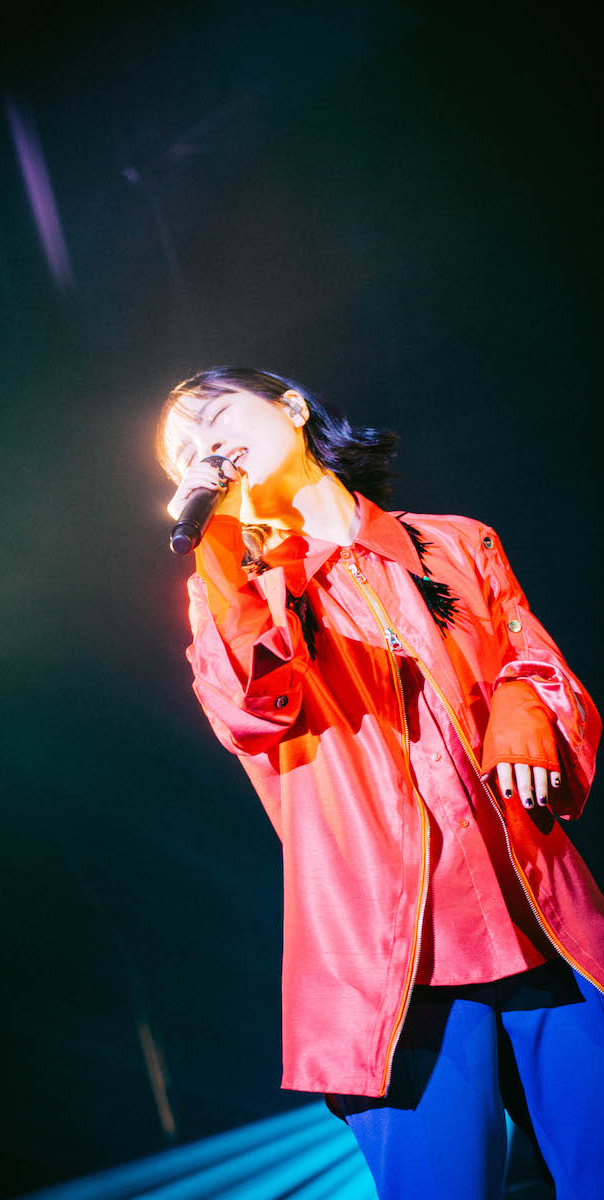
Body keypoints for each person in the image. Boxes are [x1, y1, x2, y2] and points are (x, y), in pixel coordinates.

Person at [156, 366, 604, 1200]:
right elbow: (249, 706)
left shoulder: (457, 543)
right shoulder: (241, 597)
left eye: (214, 416)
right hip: (390, 963)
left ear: (290, 407)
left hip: (543, 920)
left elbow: (532, 656)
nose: (202, 447)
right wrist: (220, 548)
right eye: (182, 451)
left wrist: (523, 703)